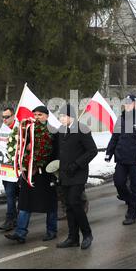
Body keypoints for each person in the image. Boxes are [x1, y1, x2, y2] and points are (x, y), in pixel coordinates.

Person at [5, 106, 58, 244]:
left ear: (47, 116)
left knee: (50, 203)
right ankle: (20, 233)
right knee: (25, 202)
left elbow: (56, 152)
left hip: (46, 173)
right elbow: (21, 145)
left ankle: (51, 231)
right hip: (30, 172)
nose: (37, 117)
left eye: (40, 114)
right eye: (34, 114)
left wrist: (54, 171)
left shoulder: (53, 131)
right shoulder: (28, 129)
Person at [55, 104, 98, 250]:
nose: (60, 119)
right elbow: (58, 151)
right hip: (64, 174)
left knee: (75, 202)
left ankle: (87, 234)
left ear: (71, 116)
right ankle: (73, 237)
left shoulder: (82, 129)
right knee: (68, 205)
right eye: (59, 116)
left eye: (63, 116)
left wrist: (77, 164)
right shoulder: (61, 130)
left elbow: (92, 151)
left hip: (78, 173)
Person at [106, 95, 136, 225]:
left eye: (130, 103)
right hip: (121, 158)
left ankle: (132, 212)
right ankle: (132, 201)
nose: (127, 105)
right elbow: (115, 137)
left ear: (135, 104)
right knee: (118, 182)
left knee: (135, 185)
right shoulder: (121, 119)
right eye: (125, 103)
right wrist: (109, 152)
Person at [0, 107, 20, 231]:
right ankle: (15, 217)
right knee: (10, 193)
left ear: (13, 116)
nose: (4, 119)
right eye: (3, 117)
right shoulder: (2, 128)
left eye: (7, 117)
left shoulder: (18, 129)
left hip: (16, 168)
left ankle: (10, 219)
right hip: (5, 167)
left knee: (11, 194)